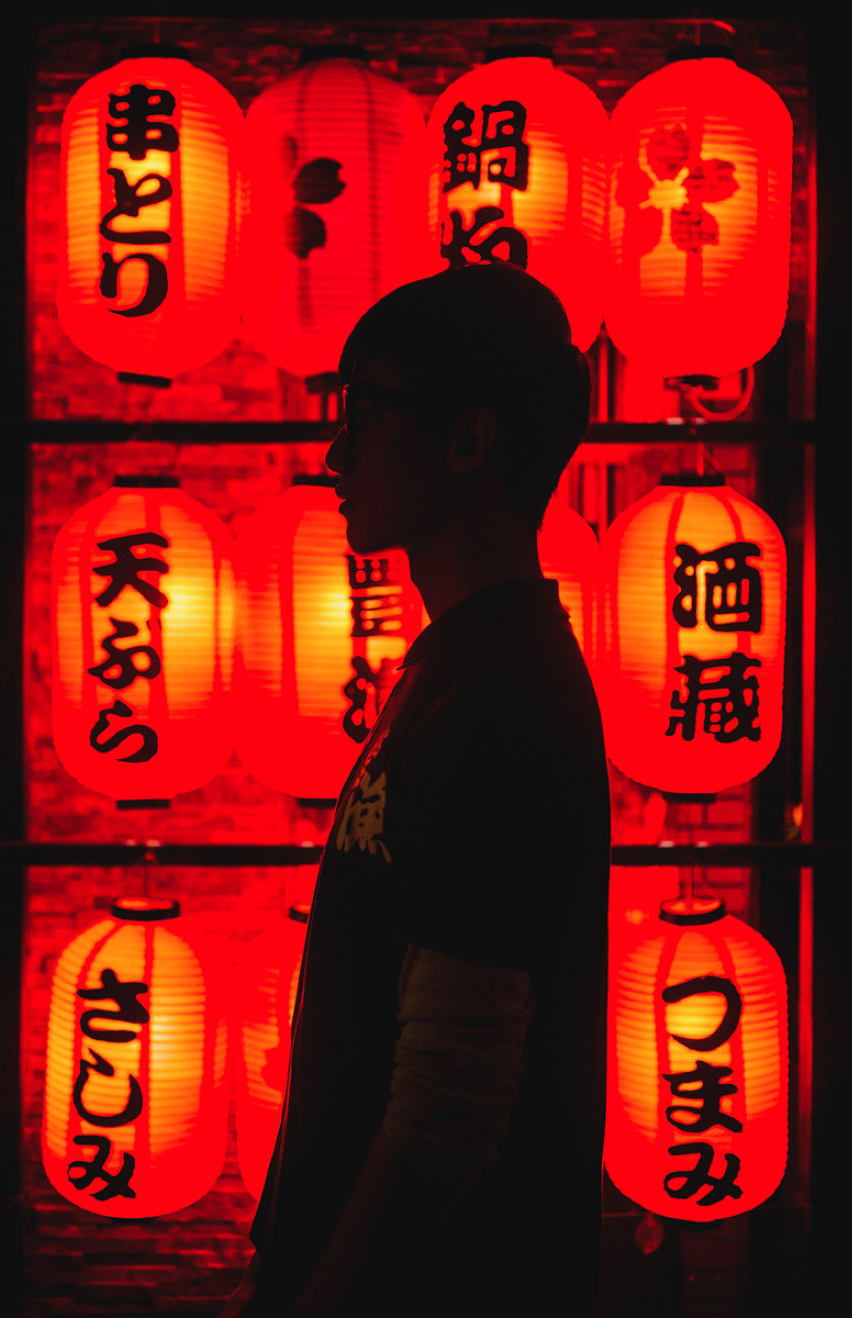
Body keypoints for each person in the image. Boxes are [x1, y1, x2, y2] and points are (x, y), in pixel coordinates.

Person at [221, 261, 610, 1317]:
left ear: (469, 439)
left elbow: (448, 1100)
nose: (337, 452)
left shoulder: (504, 694)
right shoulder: (452, 670)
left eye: (368, 410)